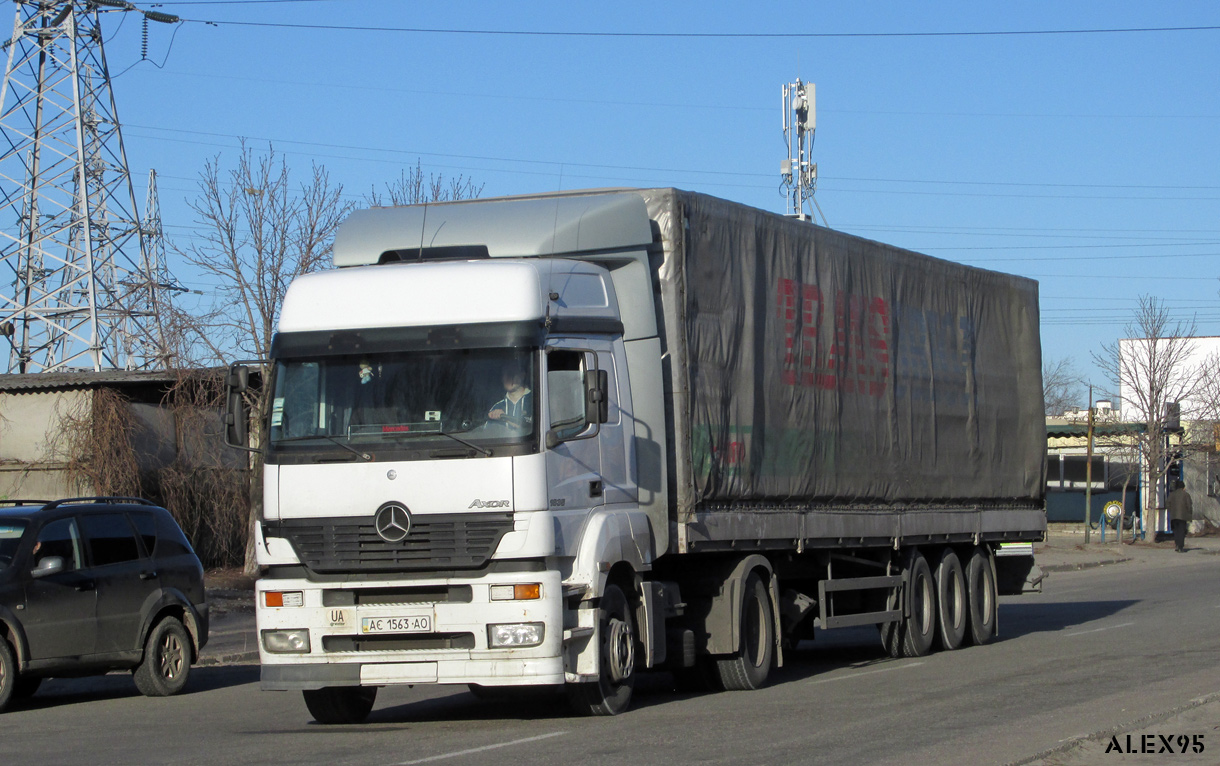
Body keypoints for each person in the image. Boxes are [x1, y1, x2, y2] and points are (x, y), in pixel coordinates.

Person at [487, 363, 533, 429]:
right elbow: (487, 434)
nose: (509, 377)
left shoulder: (536, 401)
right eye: (505, 374)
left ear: (522, 375)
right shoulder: (496, 407)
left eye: (512, 373)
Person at [1167, 479, 1192, 553]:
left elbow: (1167, 504)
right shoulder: (1186, 495)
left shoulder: (1172, 494)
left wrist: (1171, 510)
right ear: (1183, 487)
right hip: (1182, 516)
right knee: (1181, 532)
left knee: (1176, 531)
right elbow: (1189, 506)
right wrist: (1189, 515)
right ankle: (1180, 547)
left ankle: (1177, 545)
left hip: (1174, 516)